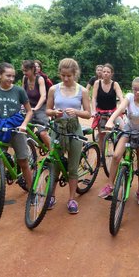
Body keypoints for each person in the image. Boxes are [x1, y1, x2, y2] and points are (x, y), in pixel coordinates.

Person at [98, 77, 139, 206]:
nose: (137, 92)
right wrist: (110, 120)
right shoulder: (129, 97)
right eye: (135, 89)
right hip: (128, 131)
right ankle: (110, 185)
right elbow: (120, 109)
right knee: (116, 156)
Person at [46, 58, 91, 214]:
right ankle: (51, 196)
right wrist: (53, 112)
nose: (65, 79)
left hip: (74, 129)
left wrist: (76, 112)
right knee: (54, 163)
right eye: (63, 75)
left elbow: (88, 114)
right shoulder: (54, 89)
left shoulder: (82, 91)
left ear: (75, 74)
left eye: (69, 76)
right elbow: (47, 110)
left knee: (72, 166)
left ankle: (72, 199)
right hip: (57, 129)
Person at [91, 63, 124, 156]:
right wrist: (93, 110)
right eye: (104, 71)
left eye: (108, 72)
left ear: (111, 74)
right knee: (101, 135)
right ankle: (101, 156)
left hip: (113, 112)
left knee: (123, 129)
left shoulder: (115, 84)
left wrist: (123, 106)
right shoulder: (97, 83)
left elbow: (121, 96)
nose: (105, 73)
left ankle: (121, 151)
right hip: (101, 111)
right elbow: (93, 98)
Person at [21, 60, 51, 150]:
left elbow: (43, 96)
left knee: (43, 133)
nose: (24, 73)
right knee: (26, 132)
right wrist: (21, 104)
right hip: (29, 108)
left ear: (32, 69)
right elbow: (22, 93)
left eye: (26, 70)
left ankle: (52, 153)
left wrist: (36, 108)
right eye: (23, 70)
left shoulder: (40, 79)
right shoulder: (25, 78)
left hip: (41, 108)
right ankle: (31, 155)